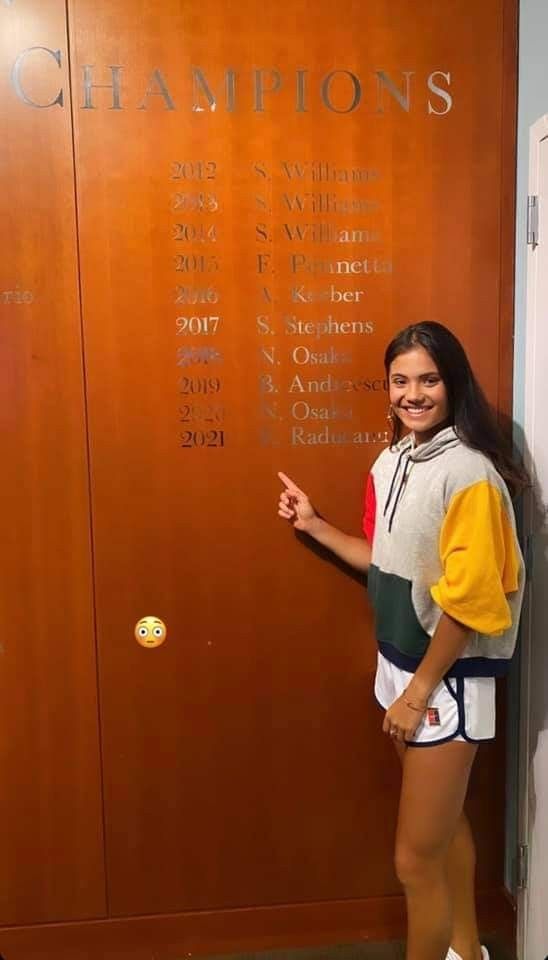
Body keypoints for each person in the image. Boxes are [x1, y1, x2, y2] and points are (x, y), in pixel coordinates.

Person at [277, 321, 527, 960]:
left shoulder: (470, 474)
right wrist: (315, 526)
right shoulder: (390, 462)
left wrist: (417, 692)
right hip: (400, 669)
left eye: (429, 380)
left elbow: (470, 601)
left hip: (443, 680)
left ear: (454, 384)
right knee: (441, 834)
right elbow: (384, 559)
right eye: (400, 380)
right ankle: (468, 951)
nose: (413, 394)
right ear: (387, 388)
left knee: (414, 861)